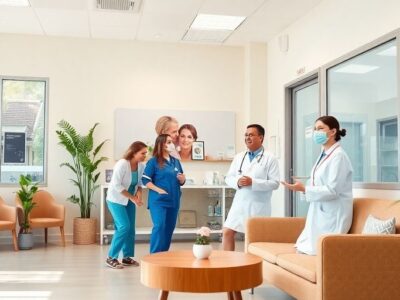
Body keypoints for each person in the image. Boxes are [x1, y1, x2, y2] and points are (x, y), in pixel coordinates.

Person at [281, 115, 353, 255]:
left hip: (333, 214)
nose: (316, 132)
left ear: (333, 132)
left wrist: (304, 189)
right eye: (315, 129)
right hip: (321, 211)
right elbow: (319, 182)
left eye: (320, 128)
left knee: (313, 250)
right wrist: (303, 188)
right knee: (304, 248)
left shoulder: (339, 156)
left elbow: (333, 190)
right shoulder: (325, 154)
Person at [223, 124, 280, 251]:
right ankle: (226, 265)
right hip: (240, 202)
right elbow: (228, 177)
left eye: (251, 135)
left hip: (258, 205)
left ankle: (251, 267)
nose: (248, 137)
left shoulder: (270, 158)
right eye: (246, 135)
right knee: (227, 232)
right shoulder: (239, 157)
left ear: (261, 138)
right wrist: (238, 181)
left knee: (253, 239)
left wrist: (253, 182)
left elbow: (275, 183)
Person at [105, 141, 147, 269]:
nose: (145, 155)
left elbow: (139, 182)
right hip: (115, 199)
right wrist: (133, 198)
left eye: (146, 153)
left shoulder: (141, 166)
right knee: (124, 226)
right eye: (143, 153)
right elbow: (117, 185)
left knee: (130, 229)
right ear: (134, 152)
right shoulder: (122, 164)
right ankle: (111, 257)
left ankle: (127, 257)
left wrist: (139, 194)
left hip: (129, 200)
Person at [142, 134, 186, 253]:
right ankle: (154, 255)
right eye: (168, 142)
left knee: (168, 229)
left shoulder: (176, 161)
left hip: (174, 200)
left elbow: (181, 179)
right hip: (159, 201)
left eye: (172, 142)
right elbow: (145, 180)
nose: (171, 144)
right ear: (161, 144)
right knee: (159, 226)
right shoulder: (153, 162)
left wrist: (182, 179)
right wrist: (159, 190)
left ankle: (163, 255)